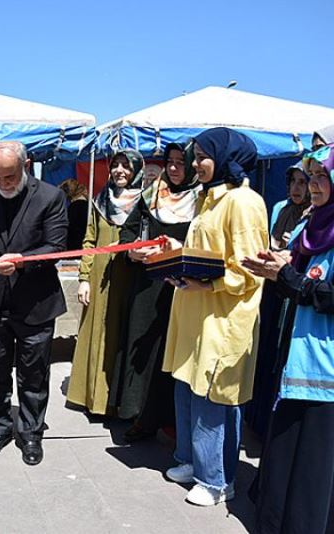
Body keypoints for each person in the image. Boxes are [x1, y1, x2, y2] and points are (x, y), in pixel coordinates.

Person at [161, 127, 267, 506]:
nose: (195, 163)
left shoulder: (243, 201)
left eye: (203, 156)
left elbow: (251, 268)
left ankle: (218, 480)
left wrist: (209, 285)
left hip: (221, 318)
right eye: (196, 155)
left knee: (212, 397)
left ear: (226, 158)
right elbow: (207, 251)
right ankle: (191, 461)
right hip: (195, 314)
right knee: (188, 389)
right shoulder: (210, 199)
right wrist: (174, 253)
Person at [244, 144, 334, 534]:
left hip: (325, 368)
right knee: (283, 449)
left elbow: (325, 295)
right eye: (310, 177)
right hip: (296, 352)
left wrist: (288, 278)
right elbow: (296, 283)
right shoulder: (311, 228)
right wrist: (274, 271)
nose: (313, 186)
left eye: (321, 177)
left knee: (314, 460)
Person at [0, 141, 67, 465]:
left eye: (10, 176)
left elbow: (56, 246)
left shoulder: (51, 196)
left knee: (33, 375)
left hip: (36, 302)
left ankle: (31, 434)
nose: (4, 184)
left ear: (27, 165)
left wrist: (22, 261)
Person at [110, 142, 201, 441]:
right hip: (147, 286)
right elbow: (128, 233)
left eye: (181, 163)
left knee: (171, 352)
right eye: (170, 162)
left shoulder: (202, 200)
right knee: (143, 350)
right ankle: (140, 416)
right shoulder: (151, 195)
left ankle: (172, 420)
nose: (174, 168)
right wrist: (133, 252)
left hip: (183, 289)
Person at [66, 149, 144, 415]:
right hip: (99, 278)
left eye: (126, 166)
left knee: (118, 336)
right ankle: (91, 398)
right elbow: (89, 240)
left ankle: (115, 402)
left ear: (136, 171)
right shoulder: (100, 200)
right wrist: (84, 278)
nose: (120, 170)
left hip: (129, 279)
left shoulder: (145, 202)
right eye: (116, 165)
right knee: (95, 333)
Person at [245, 162, 310, 438]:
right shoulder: (280, 209)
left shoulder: (313, 216)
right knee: (266, 349)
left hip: (293, 289)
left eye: (303, 182)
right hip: (272, 286)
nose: (297, 188)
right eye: (293, 181)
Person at [61, 179, 89, 251]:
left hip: (75, 247)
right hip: (87, 246)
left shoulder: (73, 207)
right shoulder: (90, 205)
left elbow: (69, 229)